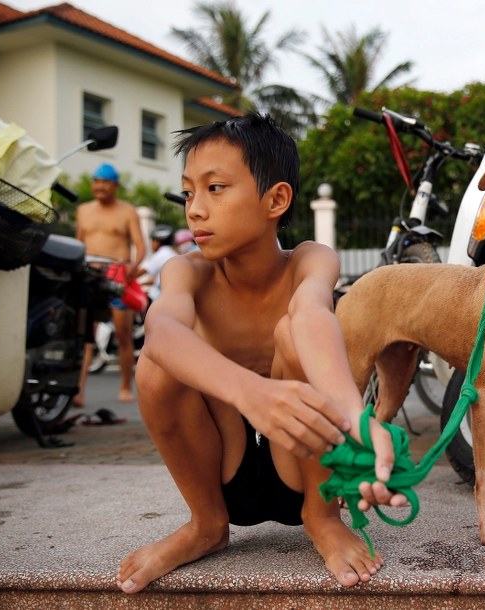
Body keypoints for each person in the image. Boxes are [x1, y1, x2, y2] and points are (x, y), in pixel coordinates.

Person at [116, 113, 406, 595]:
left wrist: (356, 419)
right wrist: (251, 392)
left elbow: (312, 316)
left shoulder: (310, 260)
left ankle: (322, 518)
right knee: (156, 364)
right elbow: (161, 331)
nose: (195, 210)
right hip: (224, 465)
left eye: (215, 188)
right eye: (188, 193)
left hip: (300, 467)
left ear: (276, 200)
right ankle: (206, 525)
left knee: (294, 332)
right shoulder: (187, 273)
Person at [75, 163, 146, 406]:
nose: (100, 186)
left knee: (123, 334)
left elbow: (140, 245)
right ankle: (79, 391)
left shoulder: (127, 212)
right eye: (96, 181)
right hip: (90, 274)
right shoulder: (83, 210)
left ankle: (125, 386)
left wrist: (133, 267)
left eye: (105, 181)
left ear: (116, 185)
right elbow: (78, 244)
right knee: (85, 334)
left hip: (117, 274)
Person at [138, 224, 179, 302]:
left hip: (158, 298)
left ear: (157, 241)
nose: (151, 244)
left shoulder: (161, 254)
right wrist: (141, 284)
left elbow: (141, 272)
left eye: (152, 241)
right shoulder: (172, 253)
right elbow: (158, 280)